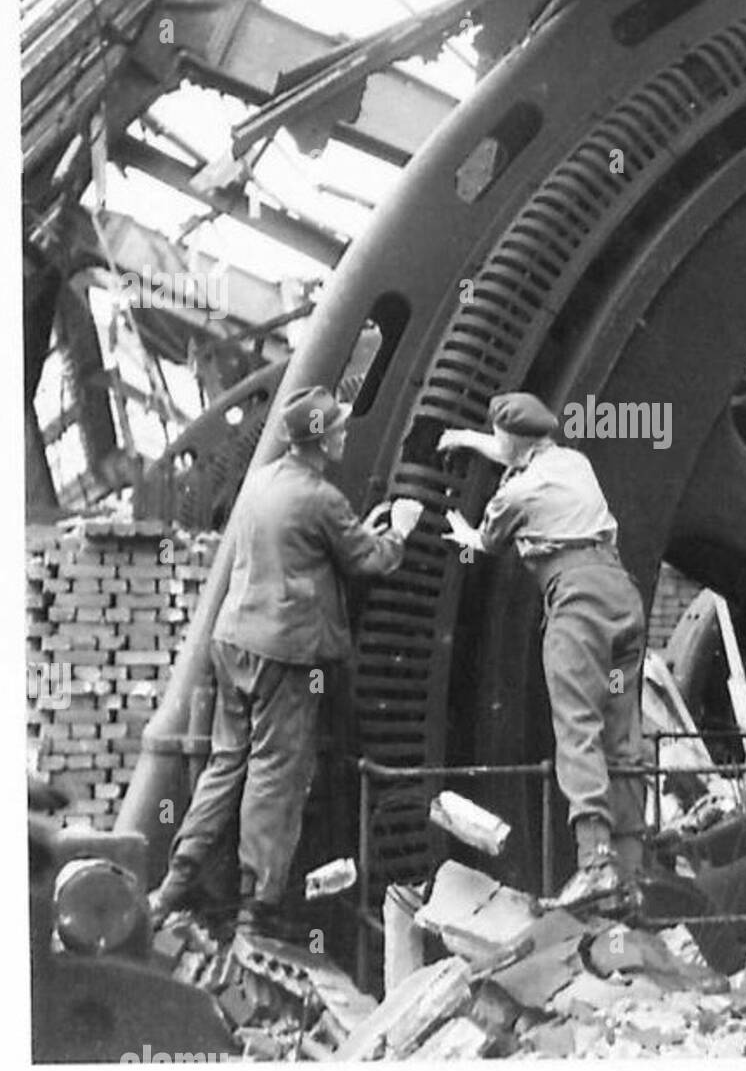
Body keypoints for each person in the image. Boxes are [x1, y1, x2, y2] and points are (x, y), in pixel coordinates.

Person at [149, 386, 424, 932]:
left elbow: (305, 547)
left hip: (234, 643)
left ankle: (177, 881)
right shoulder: (321, 497)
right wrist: (401, 530)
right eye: (340, 427)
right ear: (320, 440)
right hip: (285, 652)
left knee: (228, 762)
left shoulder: (262, 480)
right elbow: (369, 562)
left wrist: (358, 528)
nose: (347, 432)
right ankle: (261, 904)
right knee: (277, 772)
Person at [438, 392, 647, 910]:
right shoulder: (574, 462)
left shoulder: (516, 495)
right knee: (620, 735)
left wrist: (462, 533)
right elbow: (516, 448)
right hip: (622, 602)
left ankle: (595, 865)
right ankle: (630, 875)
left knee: (578, 729)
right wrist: (467, 439)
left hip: (577, 608)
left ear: (512, 443)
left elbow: (485, 544)